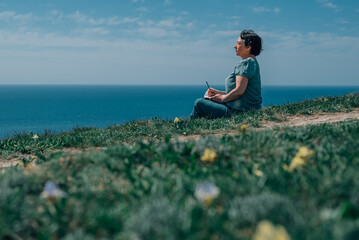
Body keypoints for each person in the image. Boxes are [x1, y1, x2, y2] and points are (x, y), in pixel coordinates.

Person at [190, 30, 263, 119]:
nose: (235, 46)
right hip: (248, 110)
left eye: (238, 43)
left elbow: (239, 91)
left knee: (199, 103)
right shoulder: (253, 63)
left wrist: (222, 99)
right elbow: (243, 91)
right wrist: (219, 93)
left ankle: (186, 128)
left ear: (248, 47)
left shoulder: (246, 63)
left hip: (238, 112)